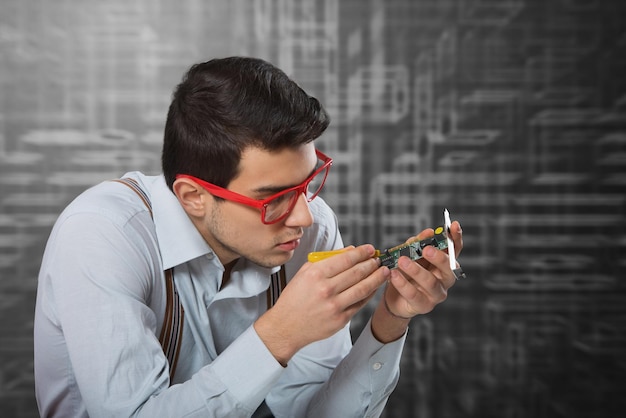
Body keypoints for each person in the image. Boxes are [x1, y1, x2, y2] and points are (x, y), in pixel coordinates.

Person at [34, 56, 464, 418]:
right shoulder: (102, 235)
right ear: (194, 196)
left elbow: (310, 412)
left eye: (306, 183)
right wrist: (280, 334)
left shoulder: (310, 227)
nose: (301, 216)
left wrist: (391, 320)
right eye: (273, 198)